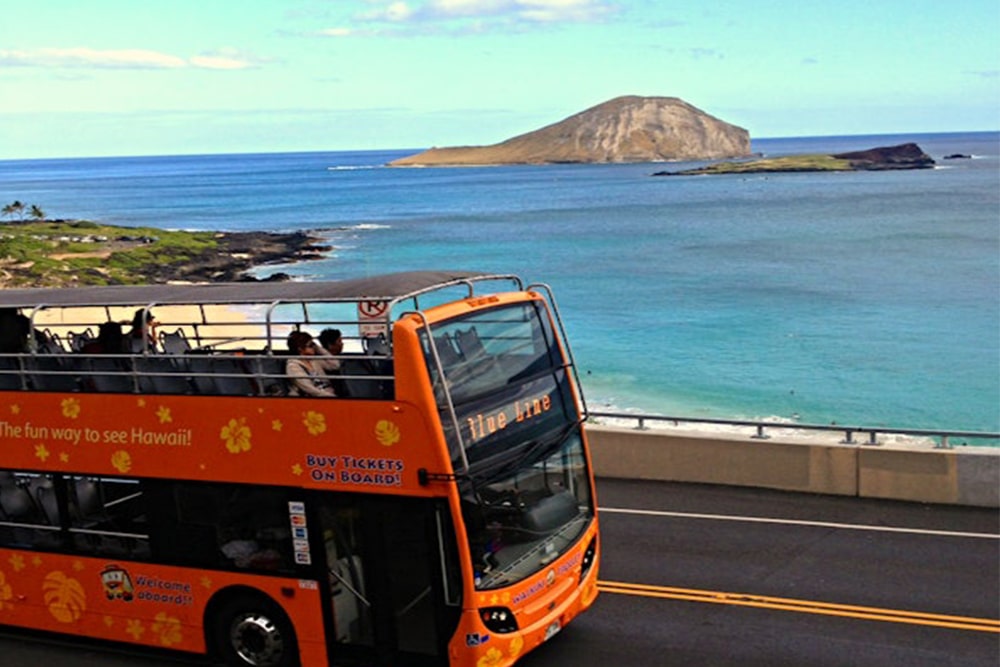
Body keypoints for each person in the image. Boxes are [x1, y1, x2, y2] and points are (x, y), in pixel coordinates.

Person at [286, 331, 340, 397]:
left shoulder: (314, 360)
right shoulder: (293, 366)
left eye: (313, 345)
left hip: (328, 394)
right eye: (311, 345)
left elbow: (335, 365)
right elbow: (309, 389)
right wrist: (330, 397)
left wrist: (318, 348)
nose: (313, 347)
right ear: (300, 349)